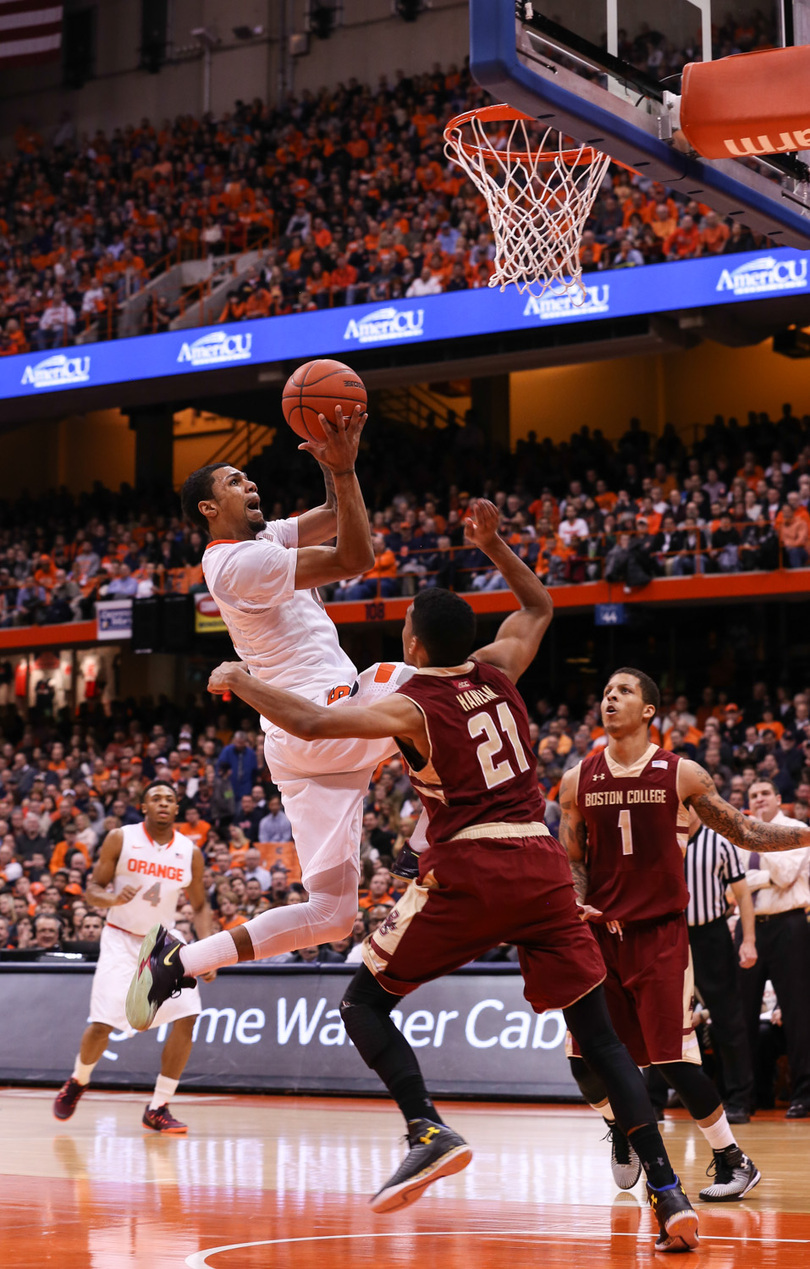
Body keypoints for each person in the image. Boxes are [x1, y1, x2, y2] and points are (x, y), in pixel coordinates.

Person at [183, 500, 697, 1253]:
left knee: (362, 1003)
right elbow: (539, 604)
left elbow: (318, 725)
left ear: (413, 640)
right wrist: (496, 543)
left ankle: (426, 1124)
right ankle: (668, 1188)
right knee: (603, 1038)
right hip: (543, 867)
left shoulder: (411, 703)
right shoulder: (500, 667)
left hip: (474, 867)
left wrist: (240, 679)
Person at [126, 404, 416, 1024]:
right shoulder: (237, 564)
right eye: (234, 481)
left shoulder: (263, 539)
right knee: (416, 686)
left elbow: (338, 515)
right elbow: (353, 557)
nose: (249, 484)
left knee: (331, 914)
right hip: (320, 717)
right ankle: (426, 844)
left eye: (248, 478)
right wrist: (340, 475)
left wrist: (346, 467)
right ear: (209, 509)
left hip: (304, 745)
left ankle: (177, 964)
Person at [559, 667, 810, 1202]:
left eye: (623, 691)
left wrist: (805, 832)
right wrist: (577, 895)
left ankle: (731, 1158)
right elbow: (575, 859)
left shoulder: (683, 773)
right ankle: (624, 1129)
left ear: (649, 710)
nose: (610, 698)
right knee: (584, 1062)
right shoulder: (577, 779)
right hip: (600, 936)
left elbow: (747, 831)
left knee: (671, 1057)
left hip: (659, 934)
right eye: (605, 692)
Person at [53, 782, 213, 1133]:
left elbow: (200, 905)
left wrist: (210, 948)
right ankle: (79, 1080)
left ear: (176, 808)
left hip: (161, 944)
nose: (163, 804)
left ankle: (158, 1106)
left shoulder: (189, 851)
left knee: (188, 1015)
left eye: (170, 799)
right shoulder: (120, 838)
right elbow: (93, 890)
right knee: (102, 1025)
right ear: (143, 806)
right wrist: (111, 899)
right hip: (119, 939)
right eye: (156, 798)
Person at [739, 778, 810, 1118]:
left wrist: (759, 840)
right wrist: (758, 878)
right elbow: (731, 890)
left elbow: (784, 875)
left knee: (797, 1014)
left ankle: (804, 1095)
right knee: (743, 1014)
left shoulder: (796, 829)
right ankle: (750, 1095)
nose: (760, 799)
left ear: (779, 799)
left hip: (789, 924)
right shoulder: (738, 836)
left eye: (766, 793)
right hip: (749, 927)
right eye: (754, 795)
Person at [683, 809, 757, 1123]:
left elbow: (742, 894)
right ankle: (656, 1100)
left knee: (728, 1020)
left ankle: (740, 1099)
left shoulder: (719, 842)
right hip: (672, 938)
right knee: (667, 1021)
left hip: (711, 936)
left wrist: (749, 940)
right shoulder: (662, 840)